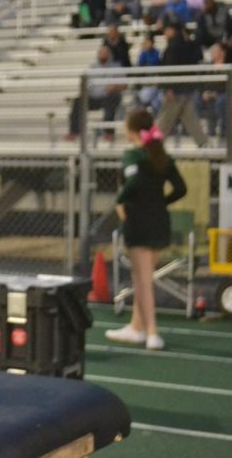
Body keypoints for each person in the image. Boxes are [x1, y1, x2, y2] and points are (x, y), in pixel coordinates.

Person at [107, 109, 187, 351]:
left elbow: (133, 183)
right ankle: (136, 327)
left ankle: (151, 332)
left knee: (142, 280)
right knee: (143, 276)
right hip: (160, 221)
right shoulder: (161, 155)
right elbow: (181, 188)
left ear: (131, 130)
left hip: (138, 221)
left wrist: (120, 200)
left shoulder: (133, 156)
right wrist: (162, 202)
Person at [156, 23, 208, 147]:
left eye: (167, 29)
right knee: (189, 117)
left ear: (174, 30)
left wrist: (168, 87)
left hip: (176, 89)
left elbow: (169, 68)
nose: (165, 33)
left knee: (166, 119)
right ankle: (203, 143)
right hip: (186, 88)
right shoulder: (187, 45)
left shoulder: (174, 46)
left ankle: (154, 146)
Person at [66, 46, 124, 142]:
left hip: (109, 96)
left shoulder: (116, 66)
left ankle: (109, 133)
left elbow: (124, 85)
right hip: (94, 97)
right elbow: (86, 85)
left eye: (105, 53)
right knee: (78, 101)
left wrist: (114, 87)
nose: (103, 55)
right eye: (101, 53)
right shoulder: (93, 67)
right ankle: (74, 132)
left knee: (111, 101)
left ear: (109, 55)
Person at [199, 44, 230, 138]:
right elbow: (202, 83)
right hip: (210, 94)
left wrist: (215, 93)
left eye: (215, 51)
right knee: (198, 99)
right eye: (212, 51)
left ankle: (224, 132)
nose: (212, 53)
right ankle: (210, 132)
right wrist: (204, 92)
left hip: (224, 94)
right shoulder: (208, 67)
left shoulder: (228, 67)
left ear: (223, 53)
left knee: (221, 101)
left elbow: (227, 85)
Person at [136, 35, 162, 112]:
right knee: (144, 96)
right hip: (146, 84)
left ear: (152, 43)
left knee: (157, 102)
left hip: (158, 83)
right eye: (145, 42)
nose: (146, 44)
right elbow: (140, 68)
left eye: (148, 42)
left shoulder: (158, 53)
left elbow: (157, 65)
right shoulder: (143, 54)